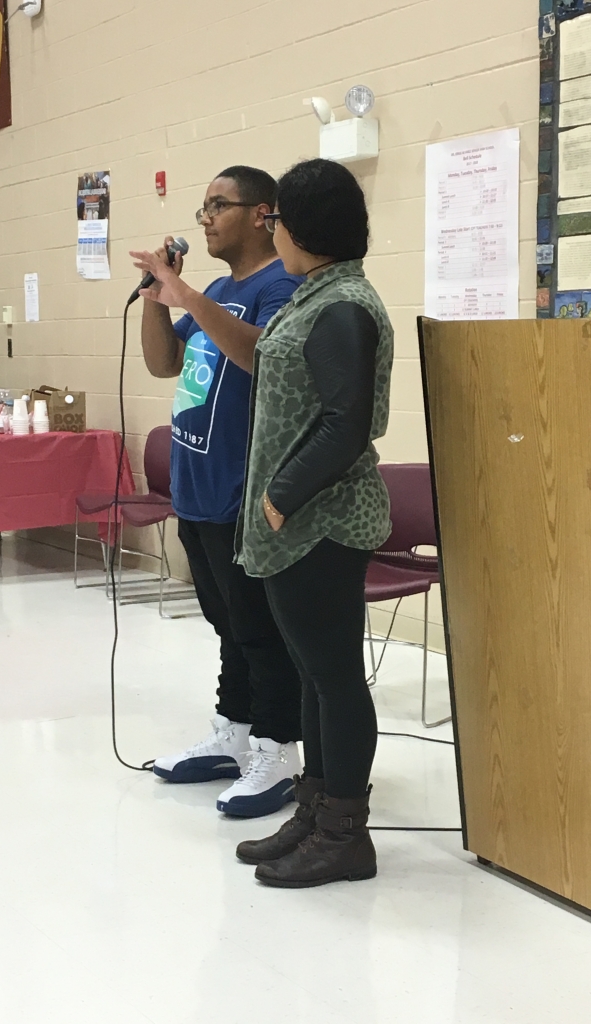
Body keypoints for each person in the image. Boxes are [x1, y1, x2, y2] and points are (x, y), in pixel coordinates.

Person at [233, 158, 394, 887]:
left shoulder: (344, 306)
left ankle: (344, 836)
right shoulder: (315, 296)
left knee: (335, 679)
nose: (274, 233)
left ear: (298, 229)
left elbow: (345, 423)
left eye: (275, 221)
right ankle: (314, 812)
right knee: (312, 673)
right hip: (296, 525)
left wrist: (281, 497)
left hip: (321, 524)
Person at [129, 166, 303, 819]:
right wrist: (156, 297)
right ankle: (234, 730)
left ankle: (278, 746)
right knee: (227, 623)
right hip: (196, 483)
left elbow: (264, 357)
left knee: (261, 628)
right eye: (201, 206)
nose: (204, 217)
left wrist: (188, 295)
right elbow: (161, 363)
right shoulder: (220, 289)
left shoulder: (278, 285)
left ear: (263, 214)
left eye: (218, 205)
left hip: (243, 485)